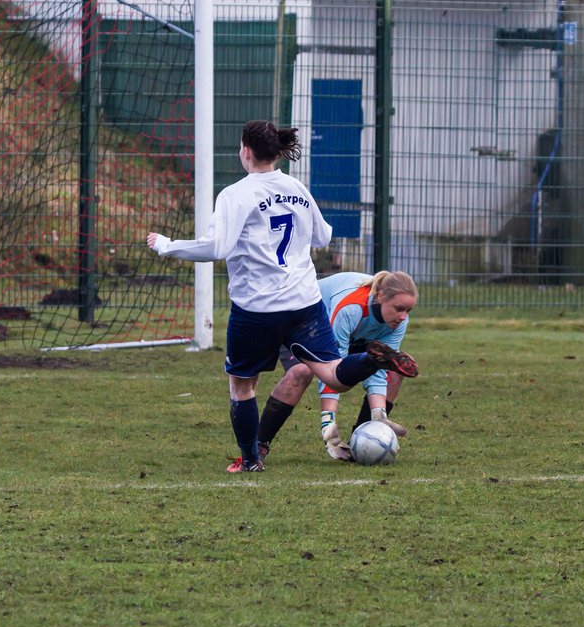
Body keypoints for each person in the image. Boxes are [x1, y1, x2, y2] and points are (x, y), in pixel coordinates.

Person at [146, 120, 419, 474]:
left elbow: (218, 247)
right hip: (305, 302)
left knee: (242, 386)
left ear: (245, 150)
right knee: (334, 372)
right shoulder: (296, 187)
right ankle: (370, 359)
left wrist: (168, 246)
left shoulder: (235, 194)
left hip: (258, 309)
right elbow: (323, 236)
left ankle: (250, 461)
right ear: (275, 152)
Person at [255, 270, 417, 463]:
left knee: (394, 370)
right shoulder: (351, 308)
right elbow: (332, 369)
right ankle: (258, 446)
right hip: (300, 322)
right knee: (301, 371)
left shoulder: (399, 321)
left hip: (354, 335)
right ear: (381, 296)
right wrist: (328, 425)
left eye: (408, 310)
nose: (402, 316)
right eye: (399, 308)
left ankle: (361, 441)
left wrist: (379, 413)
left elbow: (380, 366)